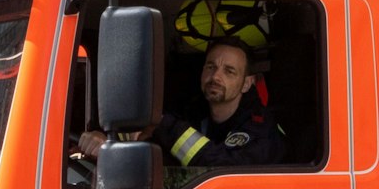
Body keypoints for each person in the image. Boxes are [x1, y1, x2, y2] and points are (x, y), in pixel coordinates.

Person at [79, 39, 284, 168]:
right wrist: (106, 140)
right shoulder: (191, 110)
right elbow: (147, 135)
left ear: (247, 83)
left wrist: (162, 125)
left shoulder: (261, 127)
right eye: (210, 67)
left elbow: (222, 168)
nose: (215, 77)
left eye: (229, 71)